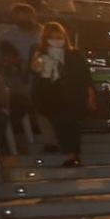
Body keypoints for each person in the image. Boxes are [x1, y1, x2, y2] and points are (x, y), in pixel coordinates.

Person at [29, 21, 95, 167]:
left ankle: (72, 154)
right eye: (52, 38)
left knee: (68, 123)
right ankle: (70, 152)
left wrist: (90, 97)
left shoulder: (74, 55)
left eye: (59, 38)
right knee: (61, 124)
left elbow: (86, 77)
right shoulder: (40, 53)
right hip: (51, 96)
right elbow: (35, 71)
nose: (56, 41)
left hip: (73, 96)